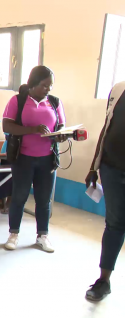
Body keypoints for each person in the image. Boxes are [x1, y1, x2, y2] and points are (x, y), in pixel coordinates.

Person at [2, 66, 67, 253]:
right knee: (19, 196)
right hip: (23, 158)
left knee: (43, 199)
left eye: (50, 86)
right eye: (44, 85)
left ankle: (42, 235)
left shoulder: (54, 102)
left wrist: (61, 135)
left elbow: (60, 126)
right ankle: (13, 234)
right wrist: (33, 130)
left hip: (47, 159)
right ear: (33, 83)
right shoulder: (18, 101)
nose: (48, 89)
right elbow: (7, 125)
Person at [84, 81, 125, 301]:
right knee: (115, 225)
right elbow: (107, 127)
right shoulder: (119, 89)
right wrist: (94, 166)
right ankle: (104, 281)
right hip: (112, 169)